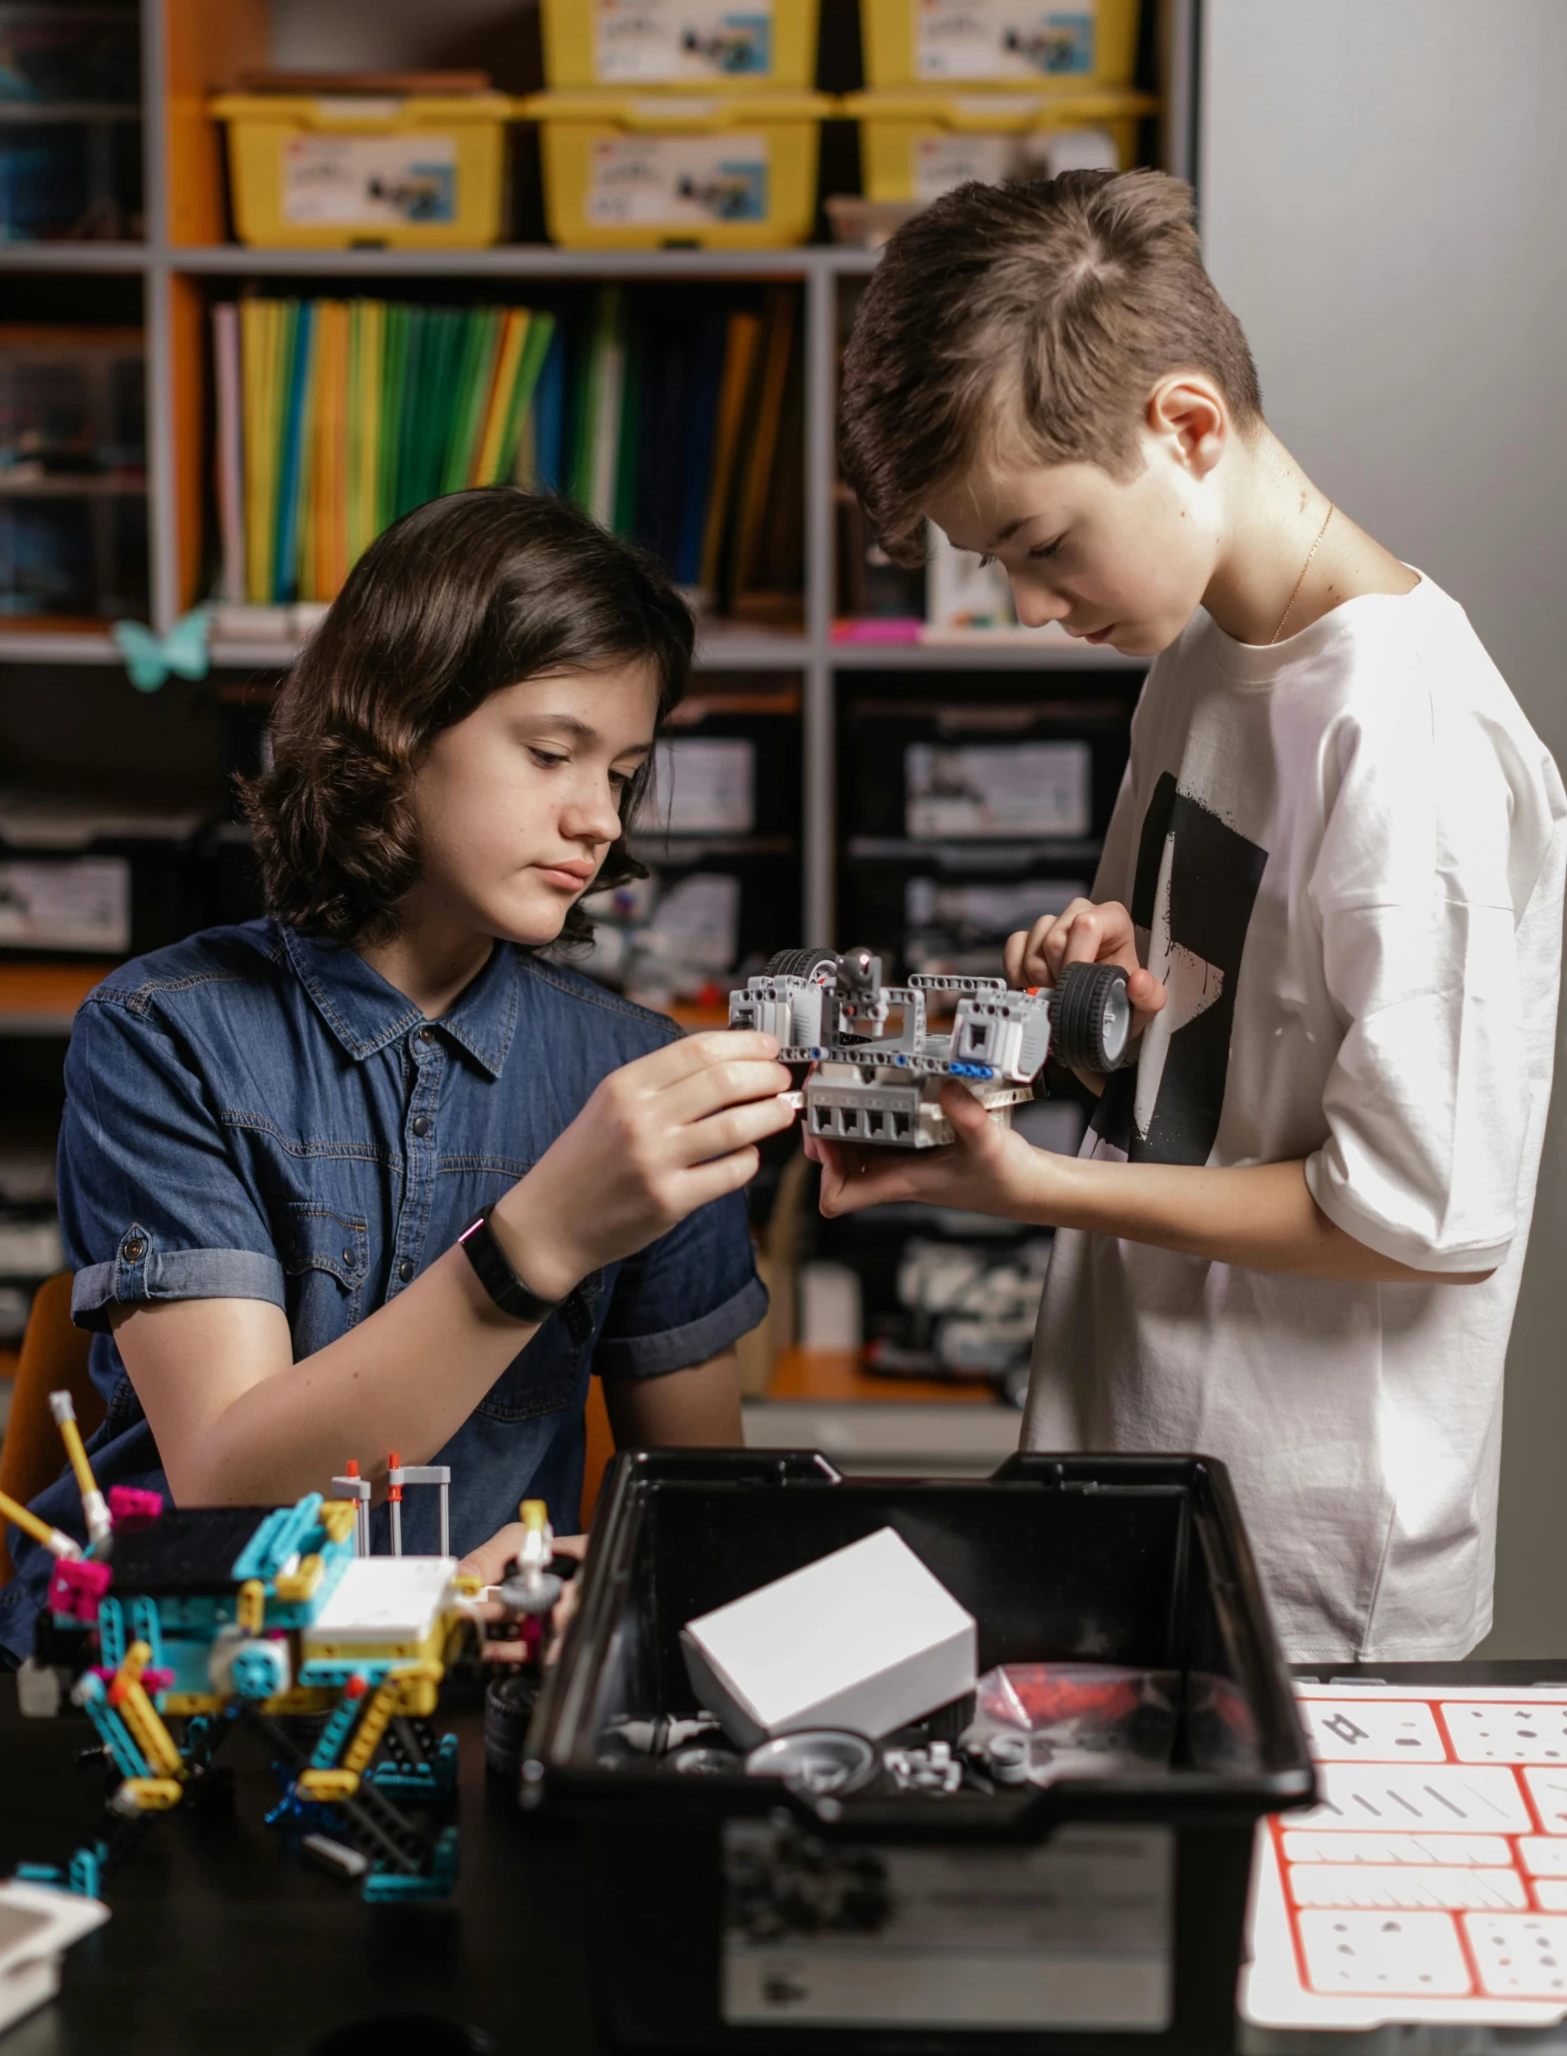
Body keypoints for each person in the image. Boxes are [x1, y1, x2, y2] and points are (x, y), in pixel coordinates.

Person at [823, 169, 1566, 1662]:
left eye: (1038, 541)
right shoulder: (1200, 655)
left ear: (1182, 428)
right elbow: (1202, 1063)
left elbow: (1418, 1220)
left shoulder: (1403, 732)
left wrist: (1036, 1192)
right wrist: (1087, 1000)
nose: (1031, 604)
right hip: (1132, 1455)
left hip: (1302, 1563)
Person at [0, 489, 794, 1666]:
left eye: (624, 772)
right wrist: (536, 1243)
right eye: (548, 752)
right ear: (394, 726)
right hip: (175, 1690)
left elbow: (703, 1525)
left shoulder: (630, 1071)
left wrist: (620, 1579)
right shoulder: (164, 1035)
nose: (596, 820)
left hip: (477, 1701)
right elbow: (230, 1478)